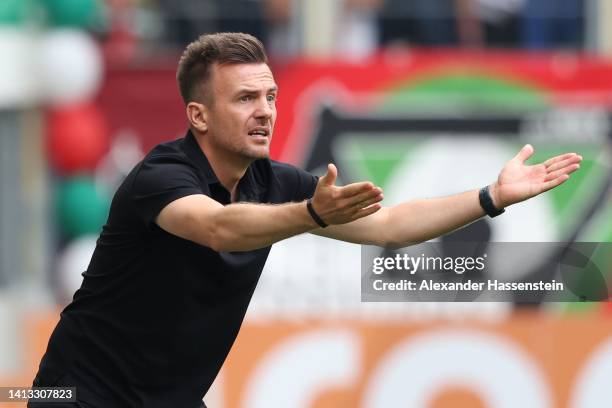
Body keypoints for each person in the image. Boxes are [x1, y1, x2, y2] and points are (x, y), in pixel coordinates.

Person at [30, 32, 581, 408]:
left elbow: (390, 227)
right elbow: (219, 227)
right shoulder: (162, 176)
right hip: (77, 393)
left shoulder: (278, 182)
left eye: (269, 95)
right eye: (245, 98)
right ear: (197, 115)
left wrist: (491, 196)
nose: (265, 110)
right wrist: (311, 213)